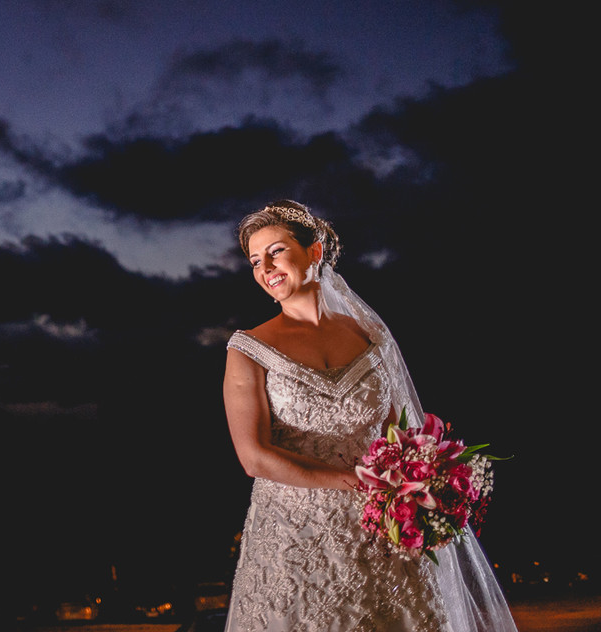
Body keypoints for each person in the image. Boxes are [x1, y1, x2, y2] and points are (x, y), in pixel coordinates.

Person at [221, 200, 516, 632]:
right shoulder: (248, 349)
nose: (265, 267)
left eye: (276, 251)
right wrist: (362, 484)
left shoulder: (371, 337)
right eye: (254, 260)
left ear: (315, 252)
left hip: (386, 538)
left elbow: (402, 437)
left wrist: (424, 484)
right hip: (297, 543)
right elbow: (254, 458)